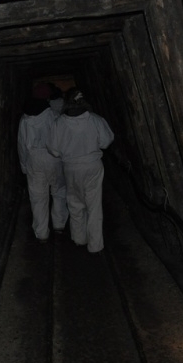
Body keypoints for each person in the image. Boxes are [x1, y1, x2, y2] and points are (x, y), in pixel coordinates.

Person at [47, 88, 114, 253]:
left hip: (71, 167)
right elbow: (106, 141)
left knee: (75, 202)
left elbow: (54, 150)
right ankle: (95, 245)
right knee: (94, 205)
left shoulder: (59, 123)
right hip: (92, 165)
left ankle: (79, 238)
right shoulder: (95, 120)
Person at [17, 97, 68, 242]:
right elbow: (61, 138)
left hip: (34, 159)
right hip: (54, 158)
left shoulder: (25, 120)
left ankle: (42, 233)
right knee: (59, 191)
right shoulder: (53, 116)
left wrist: (24, 166)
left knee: (38, 198)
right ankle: (59, 224)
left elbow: (21, 145)